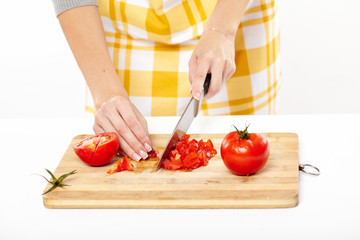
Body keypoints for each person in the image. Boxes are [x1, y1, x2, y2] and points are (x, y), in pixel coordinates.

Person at [52, 0, 280, 161]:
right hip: (118, 27)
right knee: (125, 136)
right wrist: (105, 91)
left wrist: (222, 29)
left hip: (230, 17)